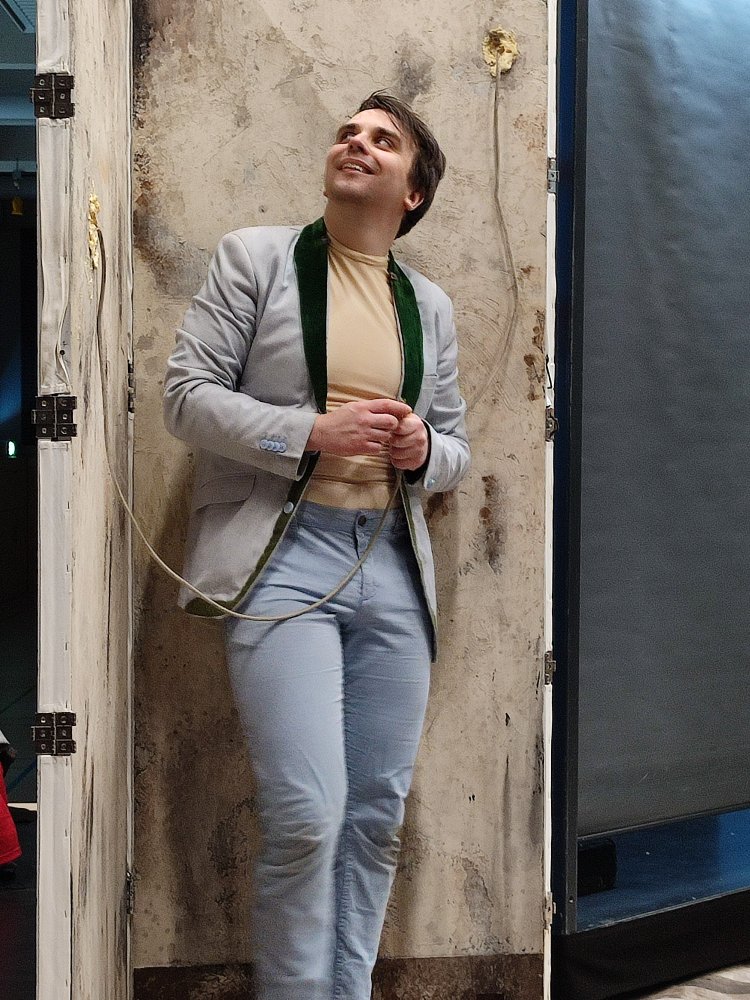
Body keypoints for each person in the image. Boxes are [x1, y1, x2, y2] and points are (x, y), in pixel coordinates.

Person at [164, 91, 470, 1000]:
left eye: (383, 140)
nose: (356, 143)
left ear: (413, 192)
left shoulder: (428, 306)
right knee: (306, 813)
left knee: (376, 817)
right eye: (349, 132)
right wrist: (310, 433)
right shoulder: (255, 259)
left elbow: (457, 450)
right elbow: (186, 397)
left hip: (391, 565)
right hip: (282, 559)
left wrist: (423, 449)